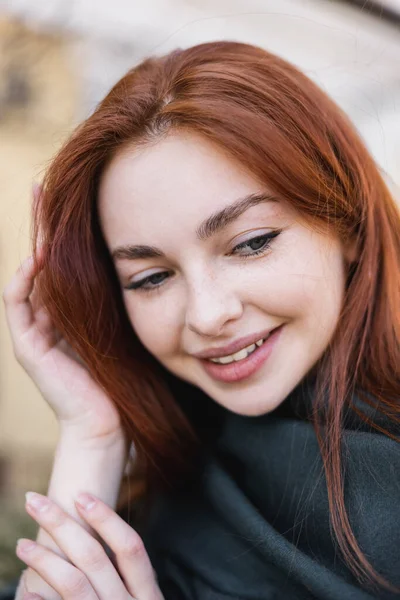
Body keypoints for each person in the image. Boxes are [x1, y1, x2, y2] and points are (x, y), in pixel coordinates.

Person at [3, 40, 399, 600]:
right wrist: (91, 436)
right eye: (151, 278)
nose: (209, 315)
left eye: (252, 243)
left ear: (350, 226)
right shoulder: (172, 494)